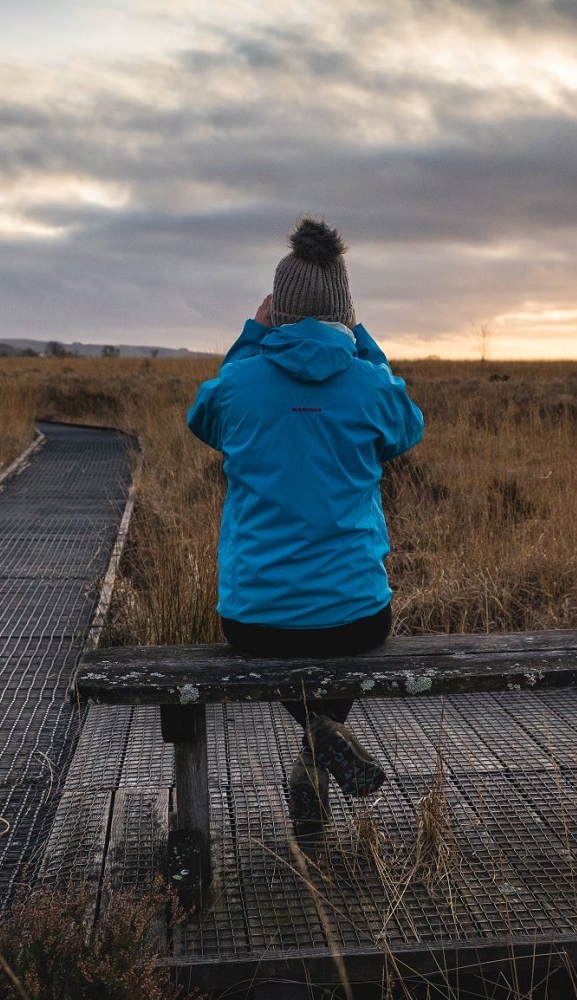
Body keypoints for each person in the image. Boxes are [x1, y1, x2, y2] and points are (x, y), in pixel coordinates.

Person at [186, 217, 424, 836]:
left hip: (254, 620)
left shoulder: (238, 384)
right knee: (345, 638)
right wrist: (363, 340)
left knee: (287, 648)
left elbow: (201, 417)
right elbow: (409, 427)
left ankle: (314, 753)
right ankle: (324, 737)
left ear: (277, 309)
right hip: (356, 616)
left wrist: (249, 338)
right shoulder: (370, 386)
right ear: (344, 310)